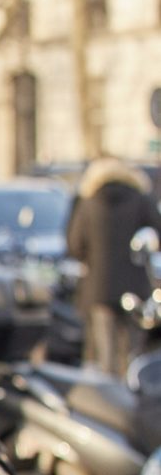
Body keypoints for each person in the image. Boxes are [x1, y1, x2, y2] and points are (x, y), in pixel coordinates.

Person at [68, 157, 161, 376]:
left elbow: (74, 245)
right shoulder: (140, 199)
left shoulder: (89, 202)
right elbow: (157, 234)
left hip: (99, 287)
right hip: (134, 286)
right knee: (133, 352)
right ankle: (131, 397)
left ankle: (110, 402)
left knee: (105, 354)